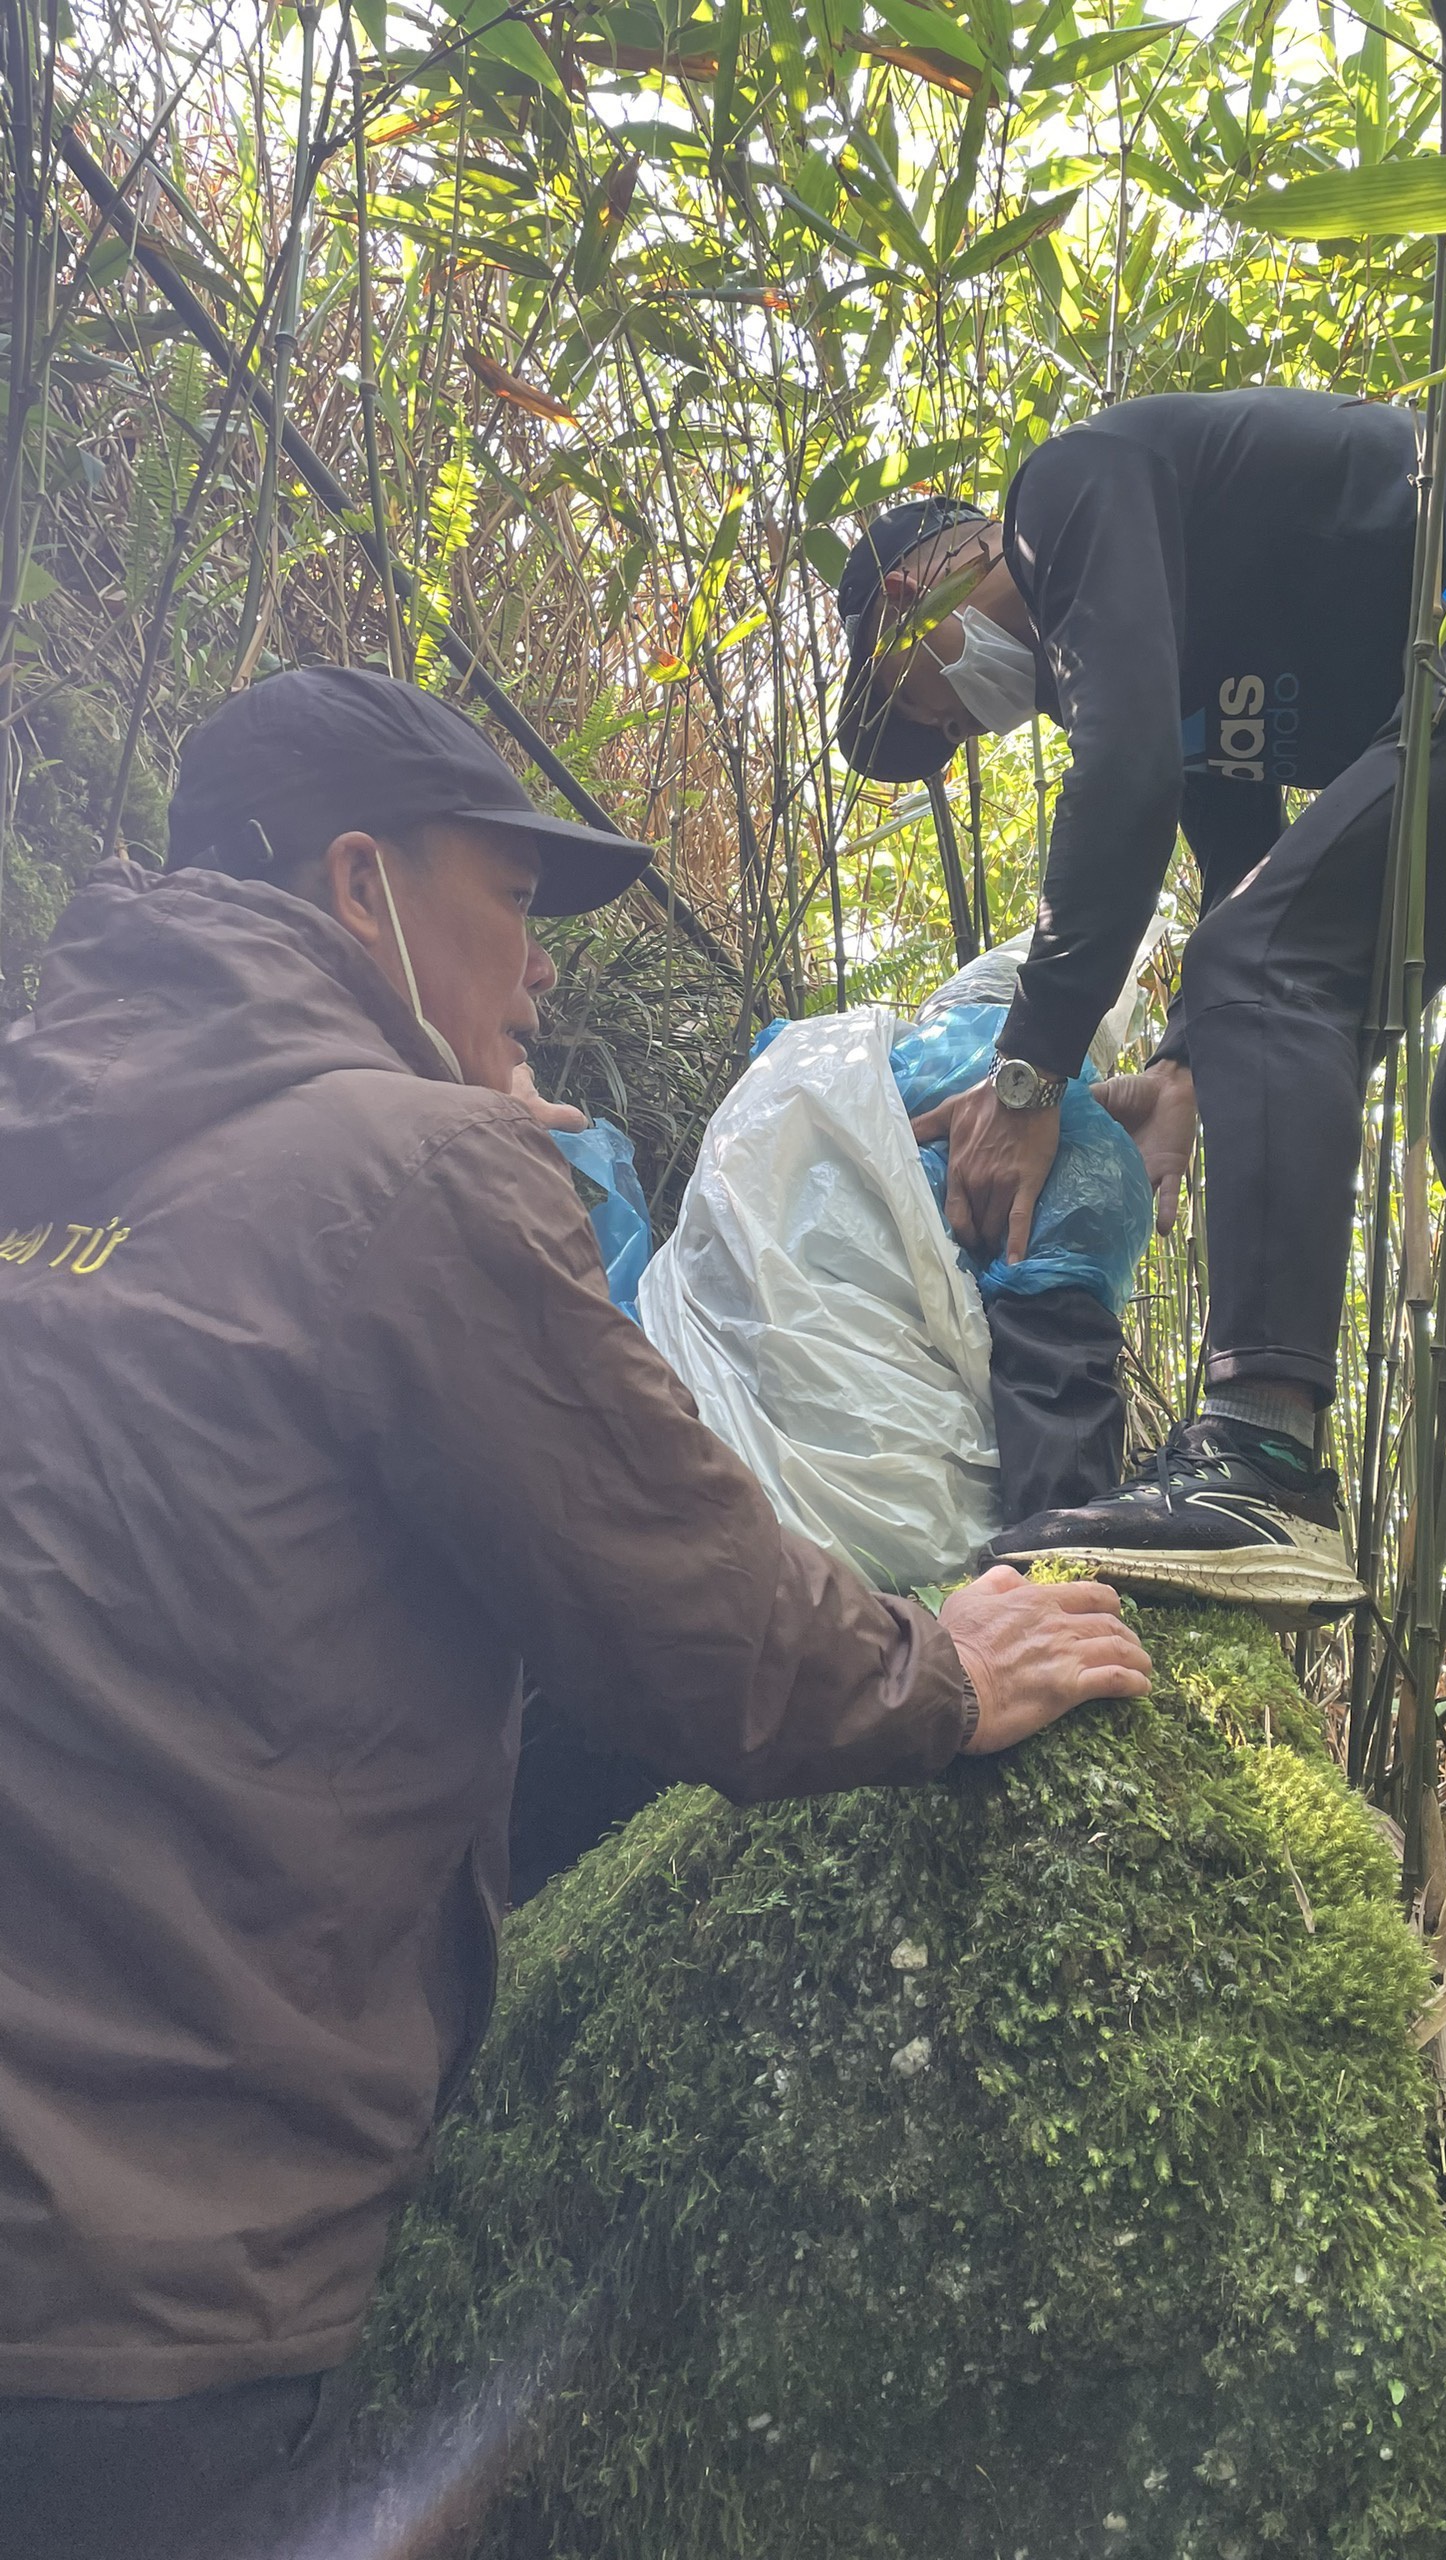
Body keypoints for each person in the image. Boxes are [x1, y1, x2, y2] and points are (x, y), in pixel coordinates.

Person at [0, 665, 1152, 2560]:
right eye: (514, 903)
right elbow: (690, 1621)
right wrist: (937, 1668)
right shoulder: (412, 1173)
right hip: (147, 2277)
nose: (538, 977)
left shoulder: (67, 1156)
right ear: (362, 886)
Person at [830, 386, 1446, 1616]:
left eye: (917, 701)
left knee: (1262, 968)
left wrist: (1028, 1072)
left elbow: (1134, 787)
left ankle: (1261, 1462)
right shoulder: (1144, 634)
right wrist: (1181, 1076)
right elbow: (1247, 880)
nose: (947, 729)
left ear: (918, 584)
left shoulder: (1065, 490)